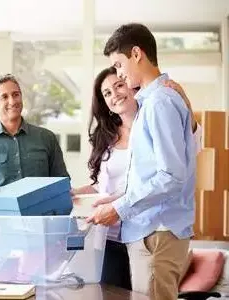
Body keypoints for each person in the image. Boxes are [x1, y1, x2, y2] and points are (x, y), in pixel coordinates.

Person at [85, 23, 198, 300]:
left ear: (137, 54)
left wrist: (120, 208)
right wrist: (115, 199)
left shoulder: (160, 102)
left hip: (157, 232)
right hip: (149, 231)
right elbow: (151, 177)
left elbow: (171, 176)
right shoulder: (151, 103)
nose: (119, 73)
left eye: (119, 65)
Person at [0, 73, 69, 190]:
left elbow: (62, 185)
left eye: (15, 95)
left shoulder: (47, 138)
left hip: (42, 209)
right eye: (4, 97)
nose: (12, 101)